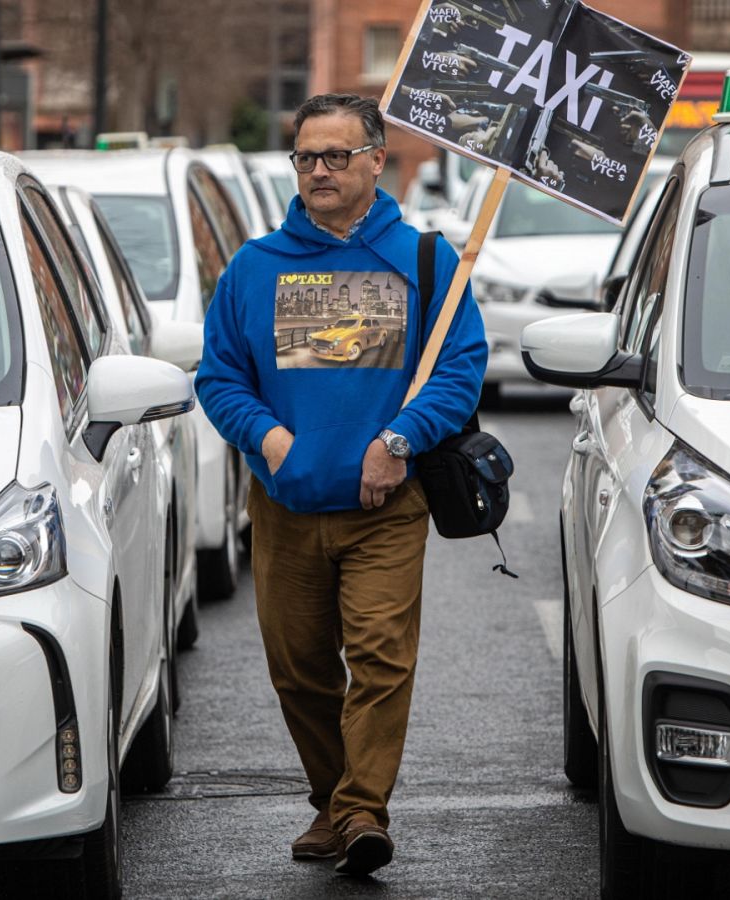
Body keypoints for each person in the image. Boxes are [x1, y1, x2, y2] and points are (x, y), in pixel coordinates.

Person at [195, 93, 486, 877]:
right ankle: (335, 799)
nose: (318, 171)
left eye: (335, 156)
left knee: (381, 658)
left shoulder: (428, 262)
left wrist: (400, 441)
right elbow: (219, 376)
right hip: (286, 507)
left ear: (376, 160)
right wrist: (268, 435)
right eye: (305, 157)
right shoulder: (254, 269)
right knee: (299, 669)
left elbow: (459, 370)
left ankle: (362, 810)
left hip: (387, 508)